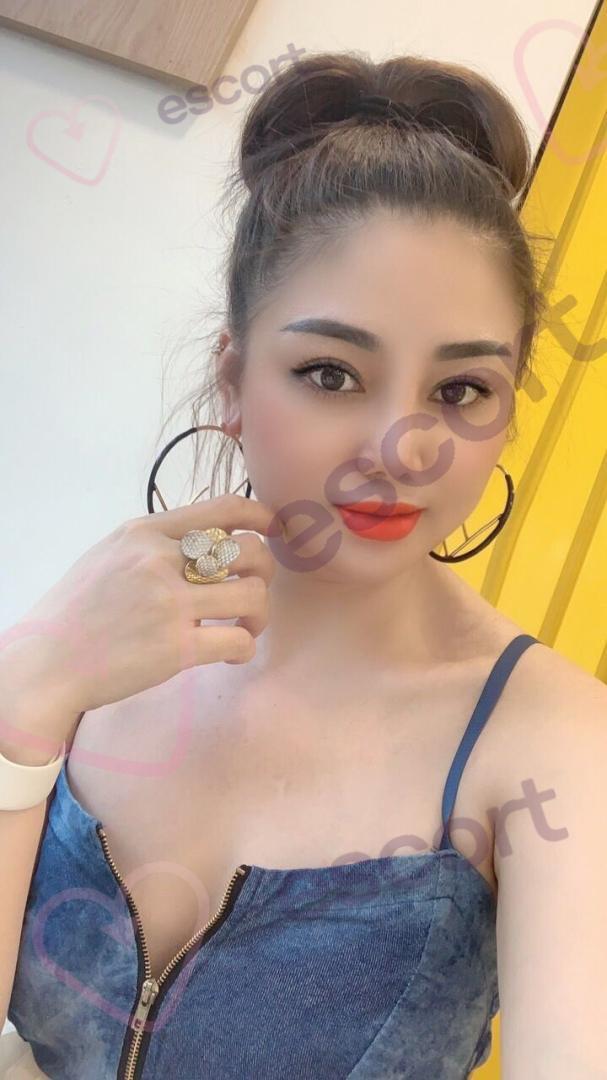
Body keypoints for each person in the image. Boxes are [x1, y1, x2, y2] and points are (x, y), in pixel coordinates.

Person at [2, 50, 606, 1080]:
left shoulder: (552, 741)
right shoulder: (103, 637)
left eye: (460, 391)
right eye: (331, 373)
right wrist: (26, 692)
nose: (401, 448)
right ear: (234, 379)